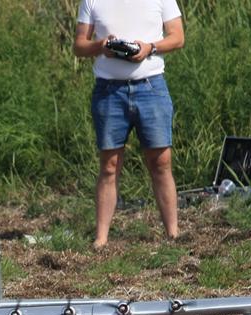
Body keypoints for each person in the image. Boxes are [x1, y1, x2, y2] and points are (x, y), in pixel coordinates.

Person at [73, 0, 185, 249]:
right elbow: (79, 46)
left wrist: (149, 48)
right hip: (109, 90)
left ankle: (173, 234)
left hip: (151, 86)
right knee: (109, 165)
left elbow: (177, 37)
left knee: (161, 161)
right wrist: (102, 46)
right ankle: (101, 238)